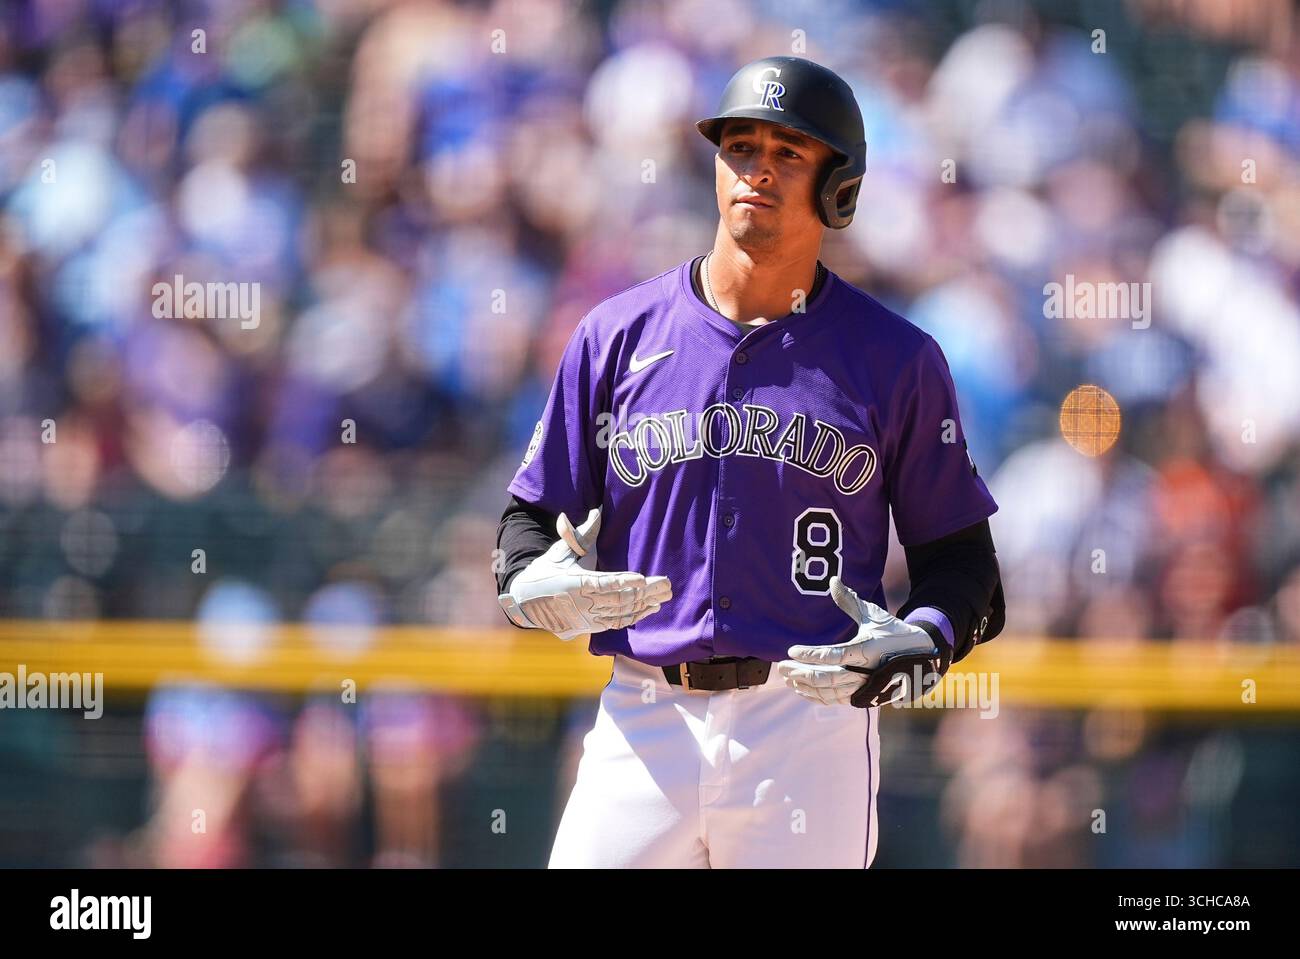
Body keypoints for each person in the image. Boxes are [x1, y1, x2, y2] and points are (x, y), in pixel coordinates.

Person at [494, 56, 1005, 868]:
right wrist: (525, 584)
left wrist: (926, 637)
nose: (757, 172)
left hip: (807, 717)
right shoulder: (614, 336)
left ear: (839, 186)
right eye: (740, 148)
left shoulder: (895, 358)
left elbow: (962, 561)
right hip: (643, 709)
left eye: (789, 153)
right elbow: (526, 520)